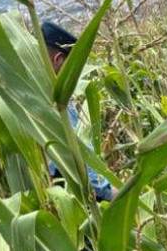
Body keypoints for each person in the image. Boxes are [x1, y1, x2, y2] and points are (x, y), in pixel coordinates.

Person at [41, 20, 116, 202]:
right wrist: (114, 193)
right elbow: (85, 169)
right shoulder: (58, 104)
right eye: (73, 66)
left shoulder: (28, 94)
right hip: (72, 200)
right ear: (58, 59)